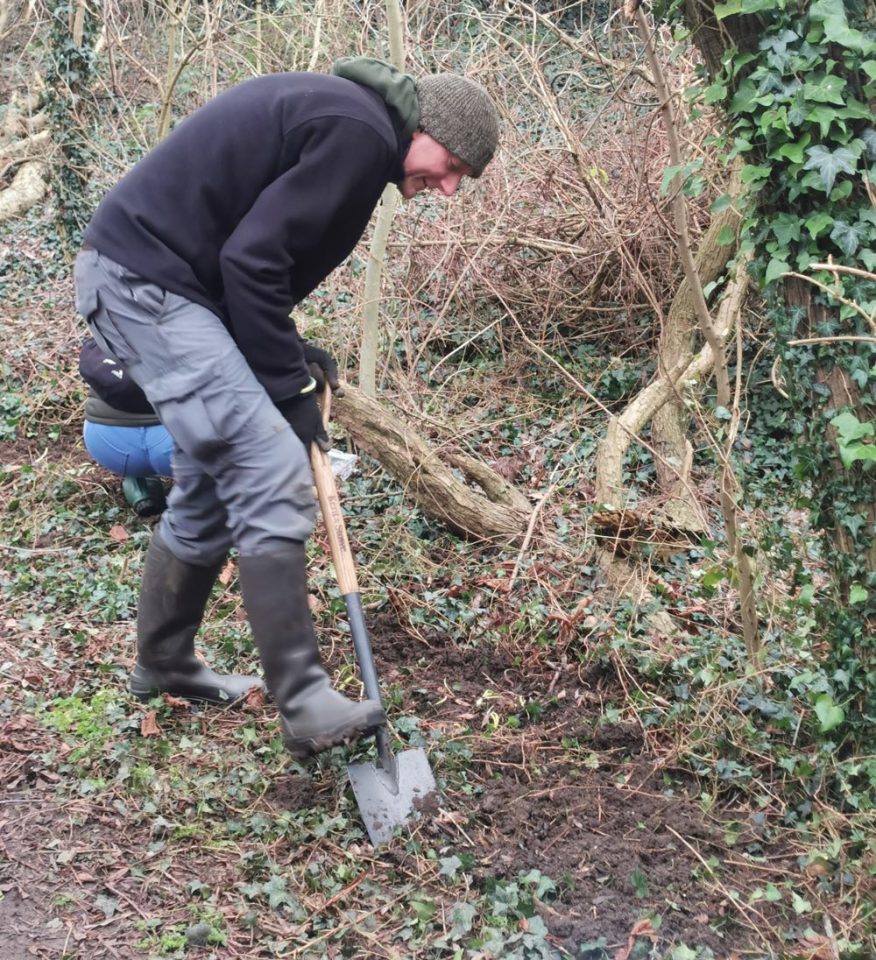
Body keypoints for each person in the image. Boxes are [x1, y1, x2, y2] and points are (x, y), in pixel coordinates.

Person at [73, 56, 499, 759]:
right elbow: (252, 262)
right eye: (452, 163)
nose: (448, 186)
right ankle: (303, 700)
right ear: (426, 126)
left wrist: (289, 357)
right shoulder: (360, 134)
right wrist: (291, 391)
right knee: (268, 461)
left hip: (160, 284)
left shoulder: (349, 127)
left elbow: (251, 262)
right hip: (146, 284)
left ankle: (166, 662)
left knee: (212, 474)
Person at [79, 337, 173, 516]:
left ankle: (141, 486)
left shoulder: (110, 315)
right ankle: (204, 491)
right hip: (174, 445)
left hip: (107, 445)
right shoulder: (195, 319)